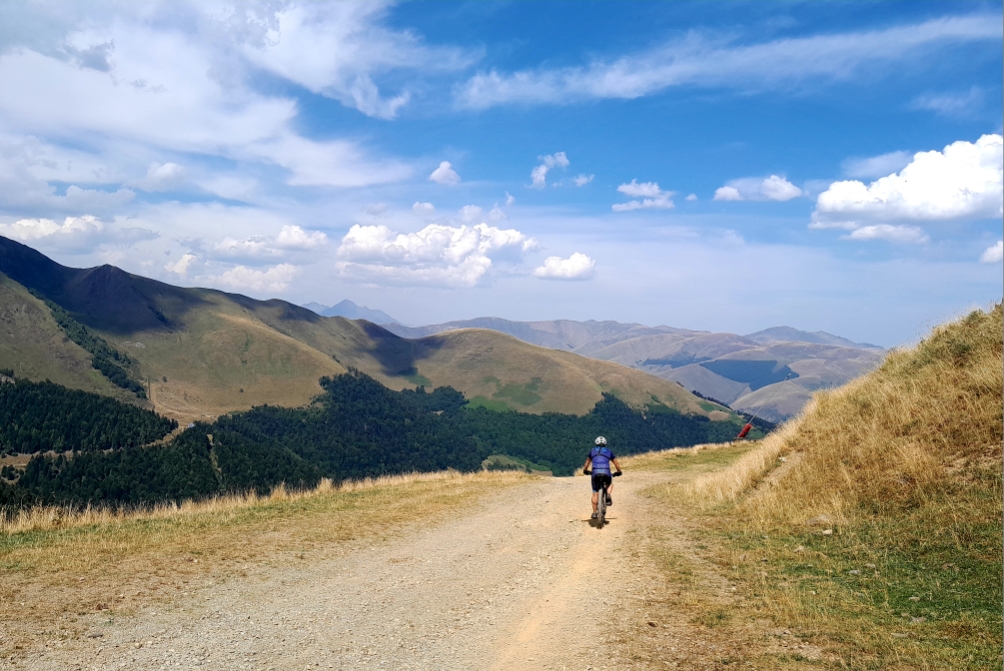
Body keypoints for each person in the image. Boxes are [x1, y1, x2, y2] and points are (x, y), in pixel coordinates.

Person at [583, 436, 622, 519]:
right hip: (606, 472)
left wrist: (585, 470)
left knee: (595, 493)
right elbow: (615, 462)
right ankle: (608, 494)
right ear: (605, 443)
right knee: (610, 483)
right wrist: (619, 471)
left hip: (595, 472)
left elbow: (587, 462)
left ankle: (594, 513)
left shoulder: (592, 451)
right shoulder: (608, 451)